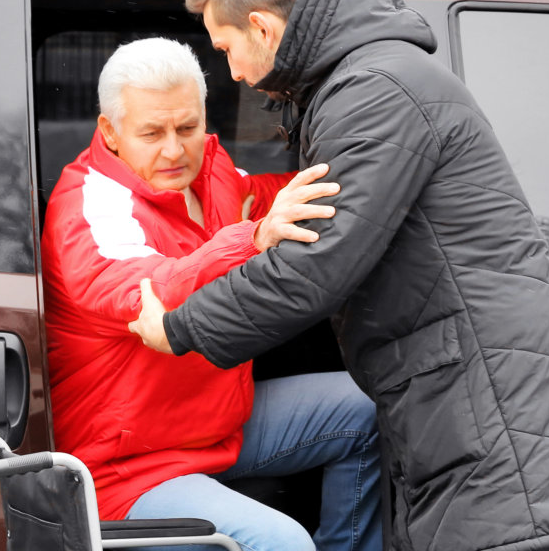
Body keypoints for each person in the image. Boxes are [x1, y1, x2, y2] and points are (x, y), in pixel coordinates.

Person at [124, 0, 549, 550]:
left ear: (264, 29)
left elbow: (319, 264)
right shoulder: (361, 81)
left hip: (495, 410)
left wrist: (182, 326)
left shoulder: (374, 91)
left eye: (225, 48)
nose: (234, 72)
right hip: (471, 403)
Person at [41, 37, 383, 551]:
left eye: (188, 127)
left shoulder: (215, 176)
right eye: (152, 133)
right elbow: (150, 292)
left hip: (215, 427)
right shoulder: (90, 205)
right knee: (282, 542)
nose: (175, 150)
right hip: (127, 467)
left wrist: (384, 169)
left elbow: (291, 196)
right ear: (110, 132)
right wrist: (253, 238)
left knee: (368, 408)